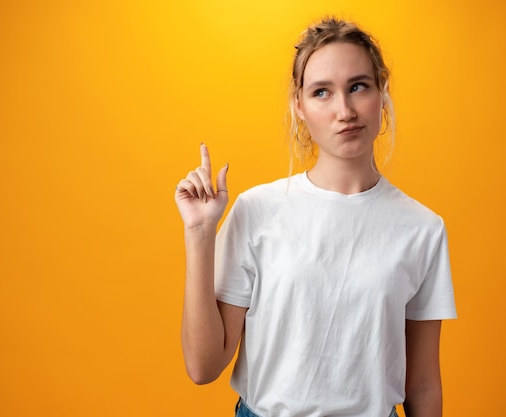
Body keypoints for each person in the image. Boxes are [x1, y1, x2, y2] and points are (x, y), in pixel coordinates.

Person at [174, 17, 456, 417]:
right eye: (322, 92)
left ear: (382, 92)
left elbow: (423, 385)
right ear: (300, 106)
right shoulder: (257, 211)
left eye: (358, 86)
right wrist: (200, 234)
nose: (345, 110)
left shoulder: (423, 229)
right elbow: (203, 367)